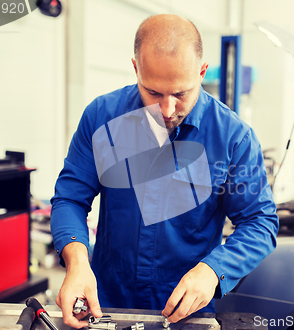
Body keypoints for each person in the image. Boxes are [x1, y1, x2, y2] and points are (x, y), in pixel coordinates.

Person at [50, 14, 279, 329]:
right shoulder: (101, 117)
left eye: (181, 94)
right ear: (136, 69)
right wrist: (77, 262)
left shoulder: (232, 137)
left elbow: (260, 222)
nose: (167, 110)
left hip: (186, 310)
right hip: (108, 301)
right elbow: (70, 198)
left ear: (201, 73)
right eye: (154, 93)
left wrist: (214, 270)